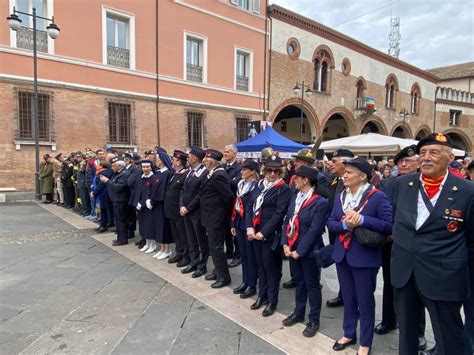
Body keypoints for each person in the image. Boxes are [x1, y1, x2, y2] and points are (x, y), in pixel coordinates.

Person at [391, 133, 474, 355]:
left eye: (434, 153)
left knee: (449, 337)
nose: (426, 158)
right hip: (404, 273)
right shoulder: (401, 184)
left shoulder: (467, 191)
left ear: (449, 158)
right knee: (407, 334)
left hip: (443, 276)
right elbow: (391, 223)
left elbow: (472, 242)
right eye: (423, 153)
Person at [328, 157, 393, 355]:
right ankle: (349, 333)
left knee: (365, 301)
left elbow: (389, 225)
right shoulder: (341, 195)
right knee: (348, 297)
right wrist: (346, 225)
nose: (344, 175)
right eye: (345, 171)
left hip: (364, 257)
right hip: (342, 254)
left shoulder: (377, 197)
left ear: (363, 176)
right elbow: (330, 222)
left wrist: (362, 220)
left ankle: (365, 342)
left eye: (349, 172)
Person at [281, 165, 329, 337]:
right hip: (292, 248)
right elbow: (287, 220)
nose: (293, 181)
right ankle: (298, 312)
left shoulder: (320, 202)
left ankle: (314, 319)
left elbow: (315, 230)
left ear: (305, 180)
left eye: (296, 178)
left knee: (312, 285)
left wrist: (299, 251)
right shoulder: (296, 196)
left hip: (308, 251)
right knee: (299, 282)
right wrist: (285, 244)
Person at [247, 155, 291, 317]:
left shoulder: (282, 188)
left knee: (271, 268)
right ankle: (261, 295)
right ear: (264, 170)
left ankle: (272, 300)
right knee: (260, 267)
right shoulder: (259, 185)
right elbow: (250, 206)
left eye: (276, 171)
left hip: (270, 235)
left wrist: (263, 232)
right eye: (269, 170)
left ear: (280, 172)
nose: (272, 174)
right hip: (255, 233)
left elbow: (279, 214)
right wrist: (249, 227)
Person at [283, 148, 330, 289]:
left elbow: (323, 194)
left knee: (312, 249)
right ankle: (295, 277)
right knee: (293, 245)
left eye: (298, 162)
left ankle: (314, 279)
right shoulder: (294, 177)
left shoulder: (318, 177)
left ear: (306, 163)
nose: (295, 164)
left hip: (310, 219)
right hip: (295, 218)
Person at [200, 149, 234, 288]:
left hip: (216, 216)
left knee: (216, 247)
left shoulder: (218, 174)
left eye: (206, 161)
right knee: (213, 246)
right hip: (210, 215)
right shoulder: (211, 173)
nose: (204, 163)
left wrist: (223, 214)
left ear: (212, 162)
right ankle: (217, 270)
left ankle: (224, 276)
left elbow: (228, 196)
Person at [326, 149, 354, 308]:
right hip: (335, 228)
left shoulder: (355, 182)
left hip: (349, 231)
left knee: (351, 265)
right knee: (340, 264)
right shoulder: (334, 180)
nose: (330, 163)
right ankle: (343, 294)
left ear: (344, 163)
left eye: (334, 161)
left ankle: (352, 297)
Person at [230, 159, 259, 299]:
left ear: (253, 172)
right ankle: (245, 281)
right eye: (241, 169)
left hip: (249, 226)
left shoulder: (256, 187)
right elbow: (236, 205)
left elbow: (254, 209)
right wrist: (233, 224)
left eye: (245, 170)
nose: (241, 172)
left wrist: (250, 227)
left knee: (250, 256)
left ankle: (252, 284)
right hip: (239, 223)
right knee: (243, 254)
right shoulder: (241, 184)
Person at [180, 147, 209, 278]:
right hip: (186, 211)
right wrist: (181, 205)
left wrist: (188, 207)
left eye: (189, 156)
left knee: (200, 239)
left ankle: (202, 266)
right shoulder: (189, 172)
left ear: (195, 158)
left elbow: (200, 194)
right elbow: (182, 190)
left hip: (197, 212)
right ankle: (194, 262)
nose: (187, 158)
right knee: (191, 239)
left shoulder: (204, 173)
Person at [165, 150, 190, 267]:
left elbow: (183, 193)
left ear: (179, 162)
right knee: (176, 235)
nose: (172, 162)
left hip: (178, 210)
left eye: (174, 160)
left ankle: (186, 256)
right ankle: (179, 253)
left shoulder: (185, 174)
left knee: (183, 235)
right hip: (171, 210)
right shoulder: (174, 173)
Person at [100, 156, 131, 246]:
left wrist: (107, 181)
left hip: (121, 200)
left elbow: (118, 187)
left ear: (120, 166)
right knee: (118, 220)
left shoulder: (124, 174)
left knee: (121, 220)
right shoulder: (117, 173)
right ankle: (120, 238)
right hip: (116, 200)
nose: (112, 167)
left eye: (114, 165)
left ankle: (122, 239)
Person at [151, 148, 173, 260]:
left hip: (162, 204)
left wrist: (154, 200)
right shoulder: (158, 173)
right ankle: (162, 248)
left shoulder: (167, 173)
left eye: (158, 159)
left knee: (164, 228)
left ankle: (167, 250)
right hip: (156, 204)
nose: (156, 160)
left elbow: (163, 191)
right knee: (159, 227)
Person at [129, 160, 156, 252]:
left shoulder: (153, 178)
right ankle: (147, 243)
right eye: (143, 167)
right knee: (143, 225)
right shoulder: (140, 178)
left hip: (148, 206)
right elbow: (136, 191)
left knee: (150, 226)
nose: (145, 169)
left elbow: (152, 193)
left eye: (147, 167)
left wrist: (148, 202)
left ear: (151, 168)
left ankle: (152, 245)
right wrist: (137, 202)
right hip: (141, 206)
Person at [223, 144, 242, 268]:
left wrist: (225, 182)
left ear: (234, 154)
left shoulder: (239, 168)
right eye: (224, 152)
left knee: (235, 230)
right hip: (223, 203)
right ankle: (229, 251)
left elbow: (235, 183)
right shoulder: (222, 167)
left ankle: (237, 255)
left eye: (228, 152)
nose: (225, 154)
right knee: (226, 229)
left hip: (234, 203)